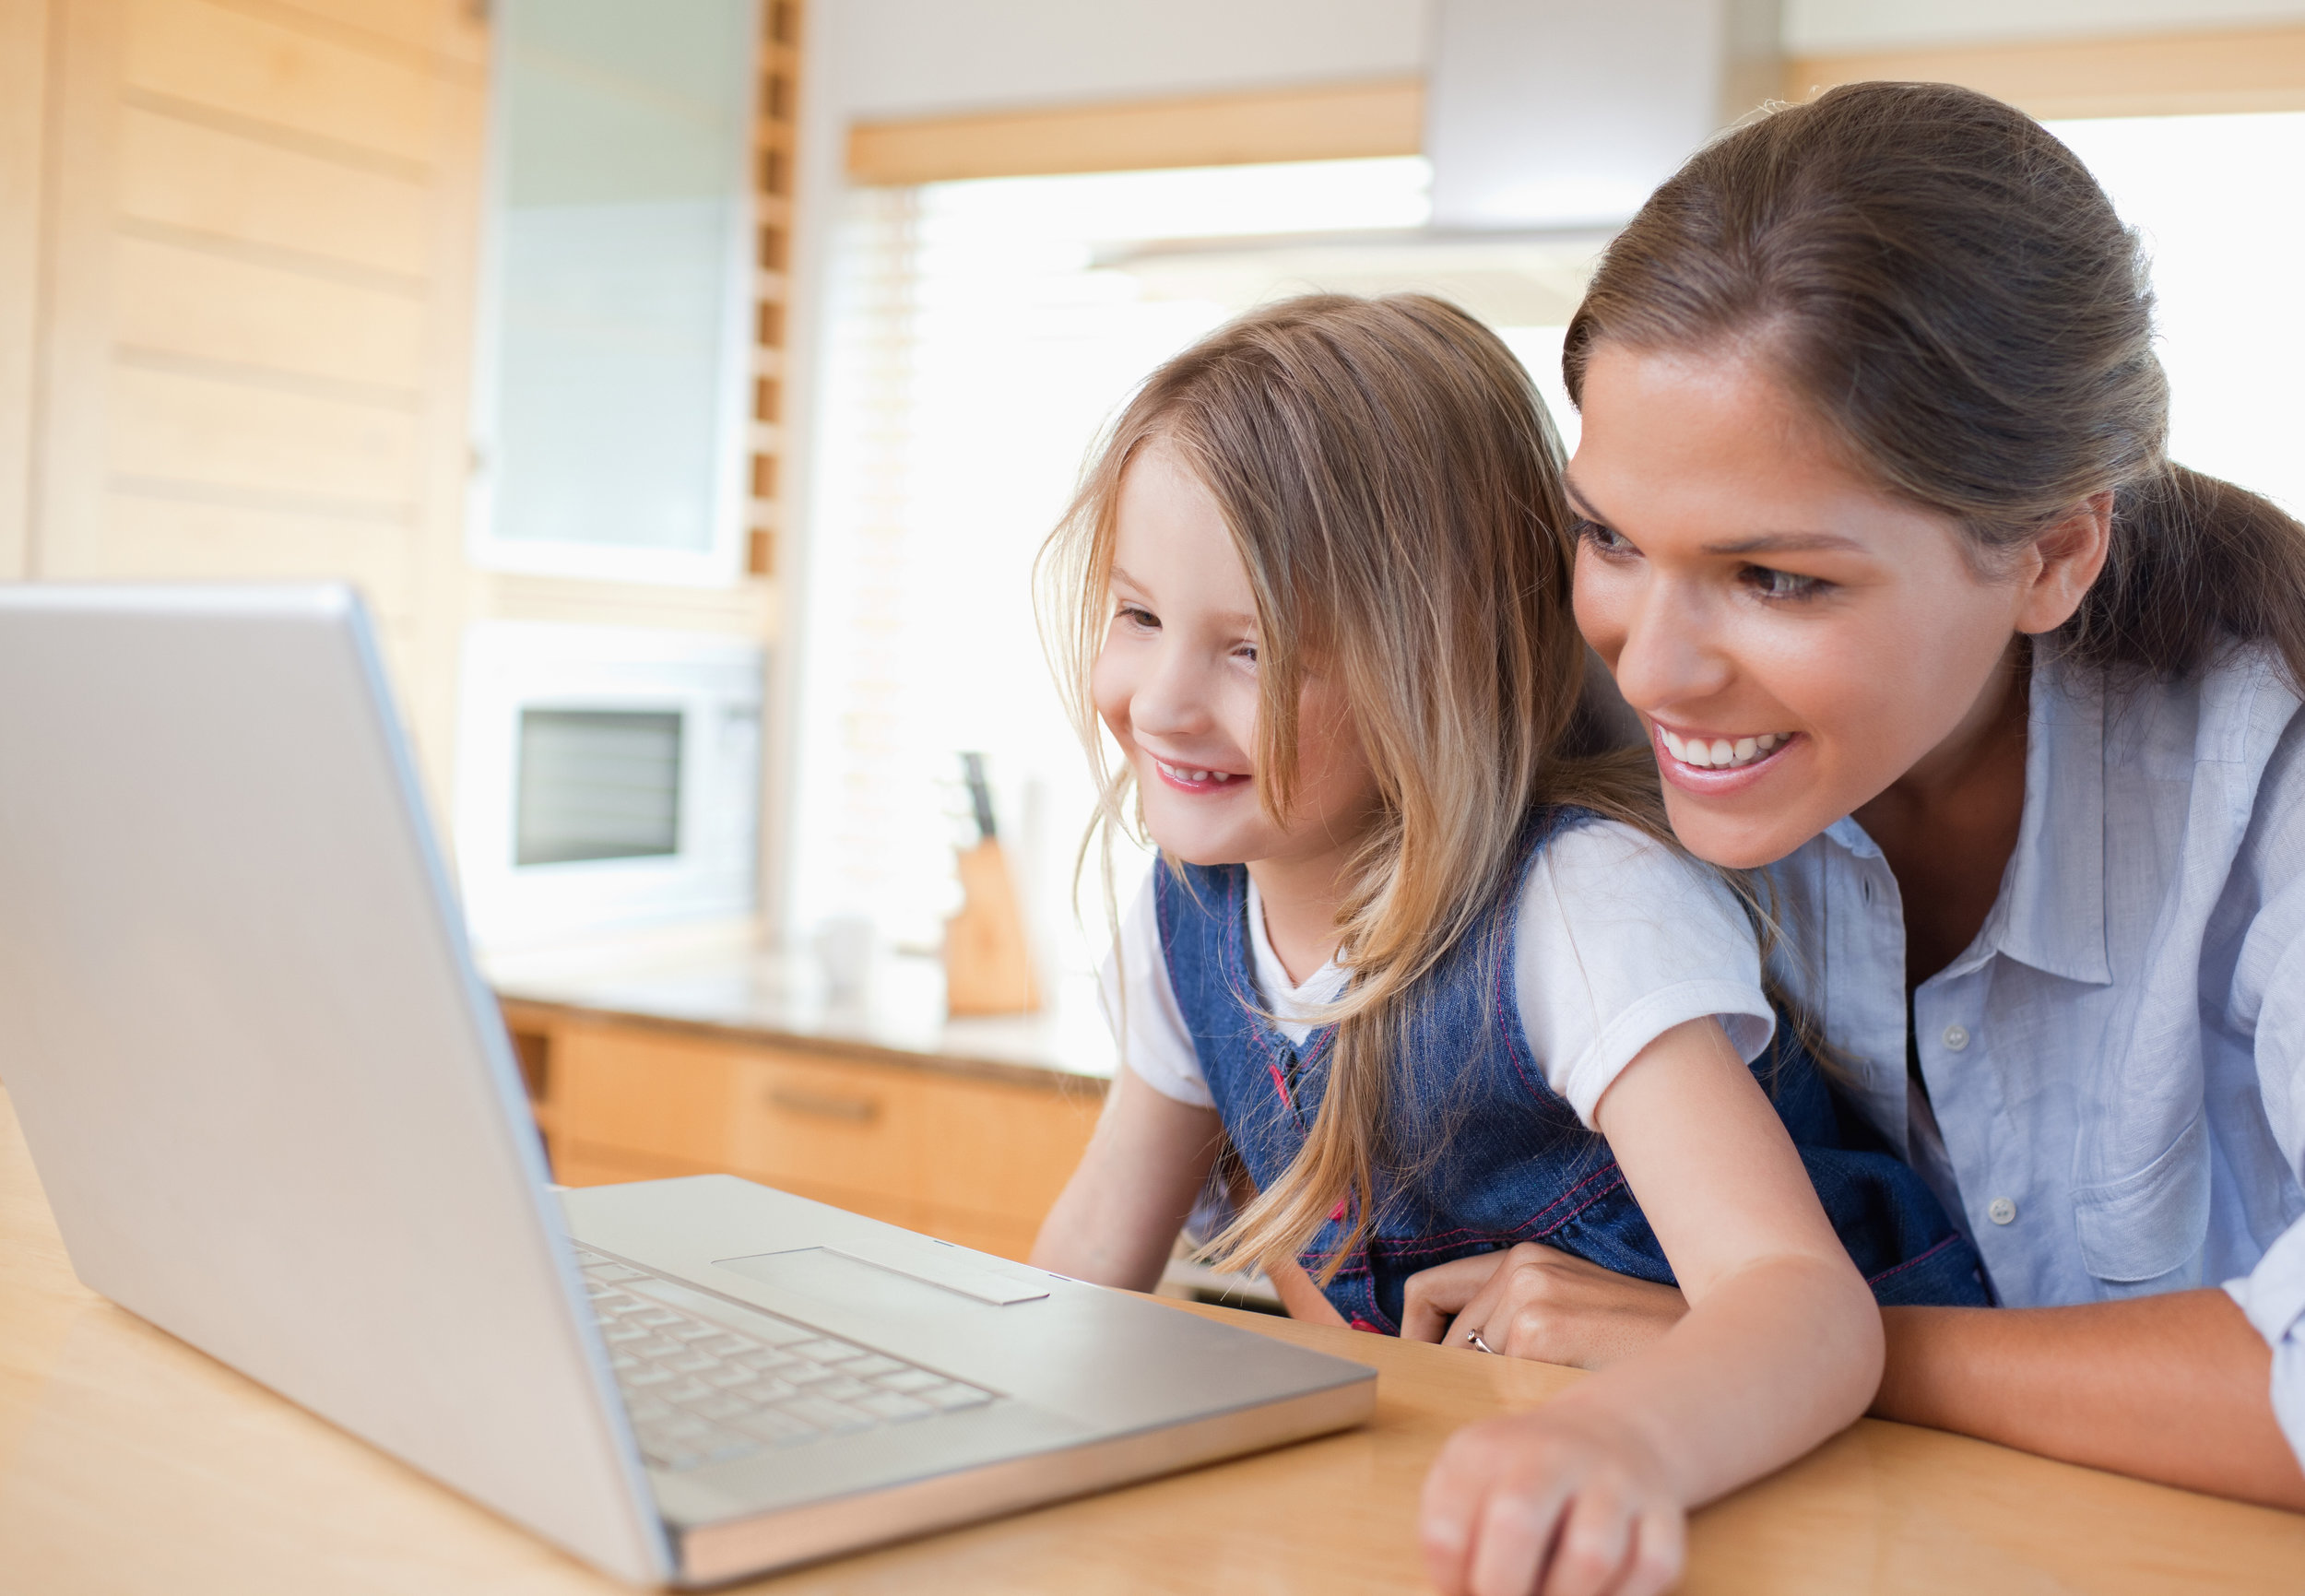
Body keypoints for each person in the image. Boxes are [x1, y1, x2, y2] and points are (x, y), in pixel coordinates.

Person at [1417, 79, 2305, 1513]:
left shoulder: (2264, 780)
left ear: (2053, 555)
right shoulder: (1583, 762)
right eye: (1611, 540)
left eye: (1777, 578)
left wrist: (1798, 1348)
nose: (1654, 667)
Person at [1028, 293, 1982, 1596]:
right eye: (1138, 616)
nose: (1164, 701)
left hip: (1811, 1488)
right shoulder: (1187, 905)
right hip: (1503, 1501)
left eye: (1253, 648)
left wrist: (1615, 1441)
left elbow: (1805, 1310)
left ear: (1442, 653)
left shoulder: (1582, 904)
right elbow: (1092, 1258)